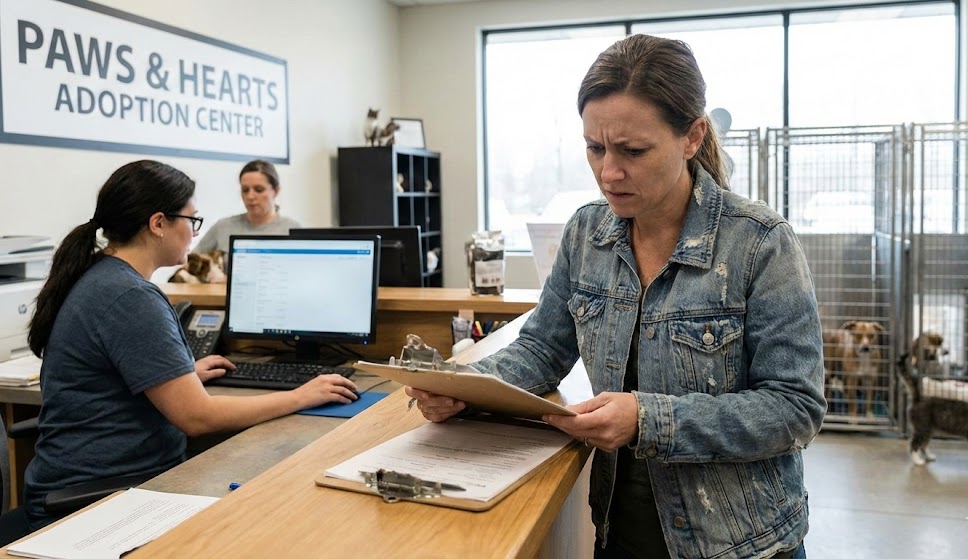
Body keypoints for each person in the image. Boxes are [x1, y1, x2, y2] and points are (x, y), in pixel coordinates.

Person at [407, 35, 825, 559]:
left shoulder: (759, 242)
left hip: (739, 541)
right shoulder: (587, 232)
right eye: (594, 147)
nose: (608, 172)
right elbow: (542, 347)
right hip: (620, 528)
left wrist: (649, 420)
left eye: (633, 151)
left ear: (692, 136)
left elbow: (794, 407)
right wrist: (464, 387)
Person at [4, 160, 357, 538]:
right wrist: (302, 395)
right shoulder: (130, 296)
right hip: (104, 501)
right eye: (191, 219)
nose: (193, 232)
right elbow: (197, 418)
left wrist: (179, 373)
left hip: (94, 482)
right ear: (158, 224)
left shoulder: (99, 275)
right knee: (274, 512)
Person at [193, 159, 302, 254]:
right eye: (245, 190)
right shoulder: (223, 227)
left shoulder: (292, 230)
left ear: (276, 191)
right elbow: (188, 263)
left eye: (259, 190)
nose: (250, 196)